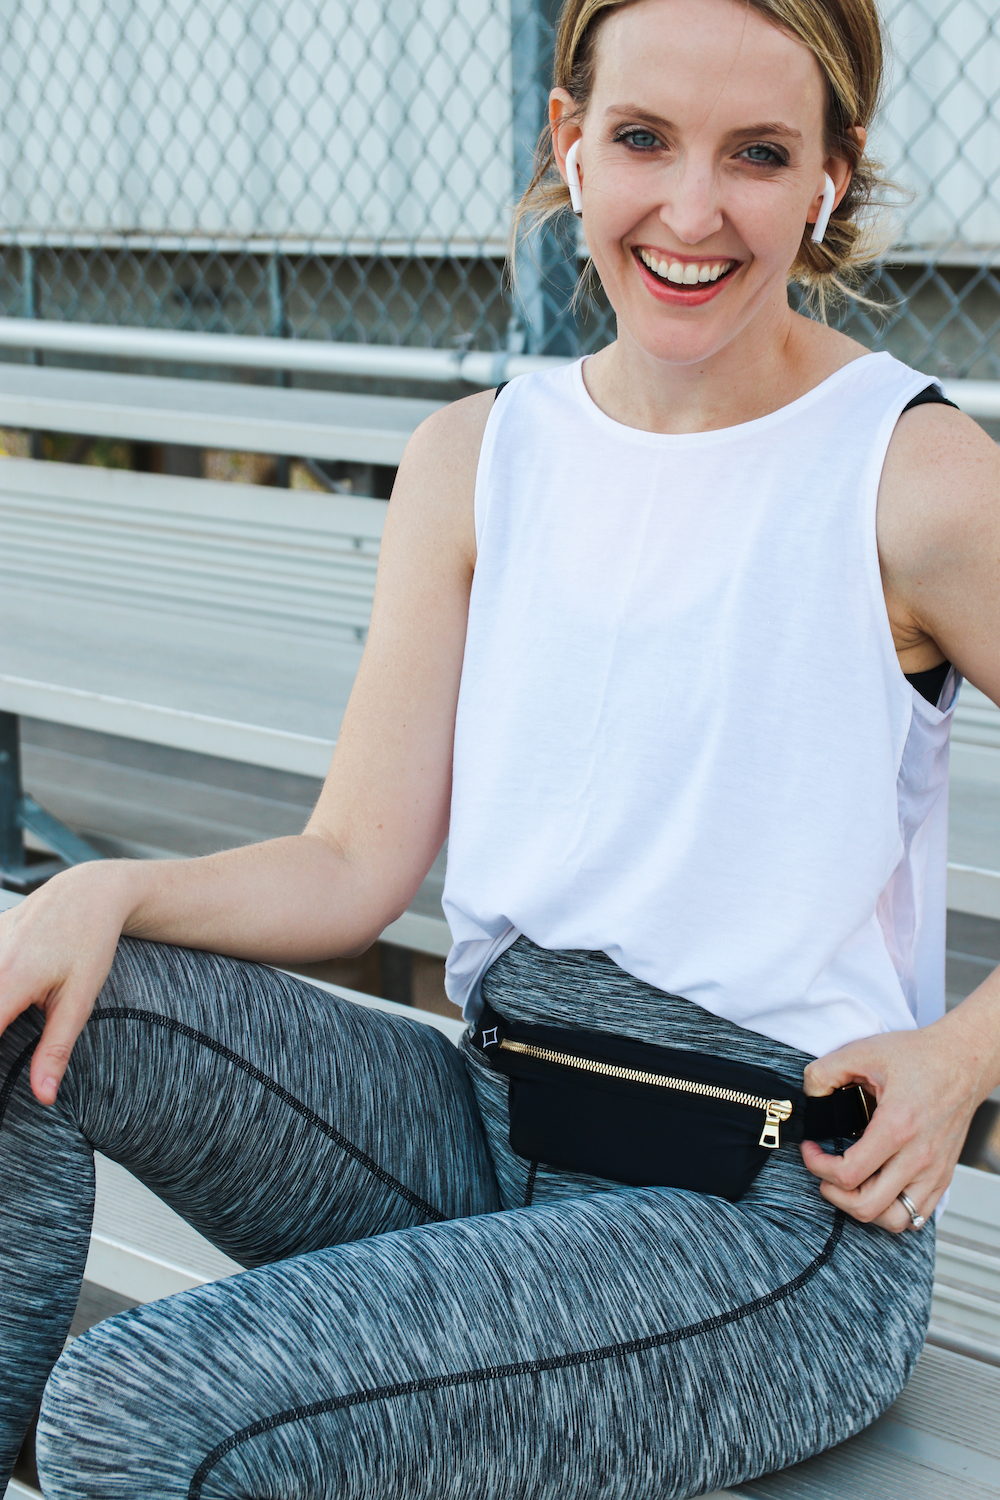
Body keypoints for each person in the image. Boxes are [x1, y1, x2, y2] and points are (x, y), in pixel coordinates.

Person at [2, 0, 999, 1495]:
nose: (692, 211)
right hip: (488, 1121)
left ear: (829, 177)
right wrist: (108, 892)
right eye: (645, 139)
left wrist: (962, 1060)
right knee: (29, 988)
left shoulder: (909, 473)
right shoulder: (479, 456)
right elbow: (351, 864)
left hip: (767, 1212)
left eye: (757, 153)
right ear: (570, 142)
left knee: (131, 1408)